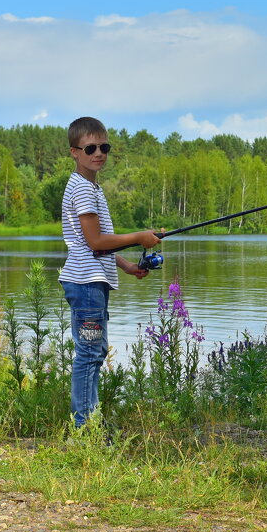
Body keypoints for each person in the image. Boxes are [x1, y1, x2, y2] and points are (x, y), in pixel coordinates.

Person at [58, 116, 161, 428]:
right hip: (86, 284)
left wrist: (128, 265)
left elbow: (93, 248)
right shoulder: (83, 190)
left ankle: (88, 422)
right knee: (89, 353)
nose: (98, 153)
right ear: (75, 152)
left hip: (91, 280)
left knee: (95, 351)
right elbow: (95, 240)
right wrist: (138, 237)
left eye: (104, 147)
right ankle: (84, 428)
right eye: (90, 148)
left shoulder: (91, 187)